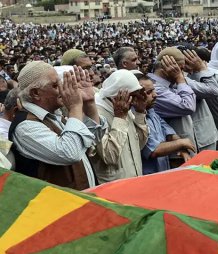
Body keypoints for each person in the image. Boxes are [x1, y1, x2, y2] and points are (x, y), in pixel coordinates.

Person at [9, 61, 107, 189]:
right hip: (58, 206)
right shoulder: (25, 127)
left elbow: (92, 139)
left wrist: (89, 102)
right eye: (55, 85)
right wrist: (75, 106)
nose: (63, 89)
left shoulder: (53, 115)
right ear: (35, 93)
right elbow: (70, 153)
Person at [92, 69, 148, 183]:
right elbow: (109, 156)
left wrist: (140, 113)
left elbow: (139, 145)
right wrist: (120, 117)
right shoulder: (96, 114)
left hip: (135, 181)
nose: (133, 100)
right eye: (131, 95)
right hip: (113, 187)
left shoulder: (125, 108)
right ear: (117, 95)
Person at [139, 75, 195, 175]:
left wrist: (181, 149)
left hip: (162, 171)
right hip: (149, 176)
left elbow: (167, 130)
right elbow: (153, 150)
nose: (155, 95)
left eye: (153, 90)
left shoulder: (151, 110)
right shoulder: (135, 118)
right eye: (149, 92)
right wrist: (181, 143)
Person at [148, 48, 197, 153]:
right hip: (172, 151)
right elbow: (188, 106)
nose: (182, 73)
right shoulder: (155, 89)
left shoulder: (170, 84)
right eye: (180, 69)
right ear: (166, 68)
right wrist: (179, 78)